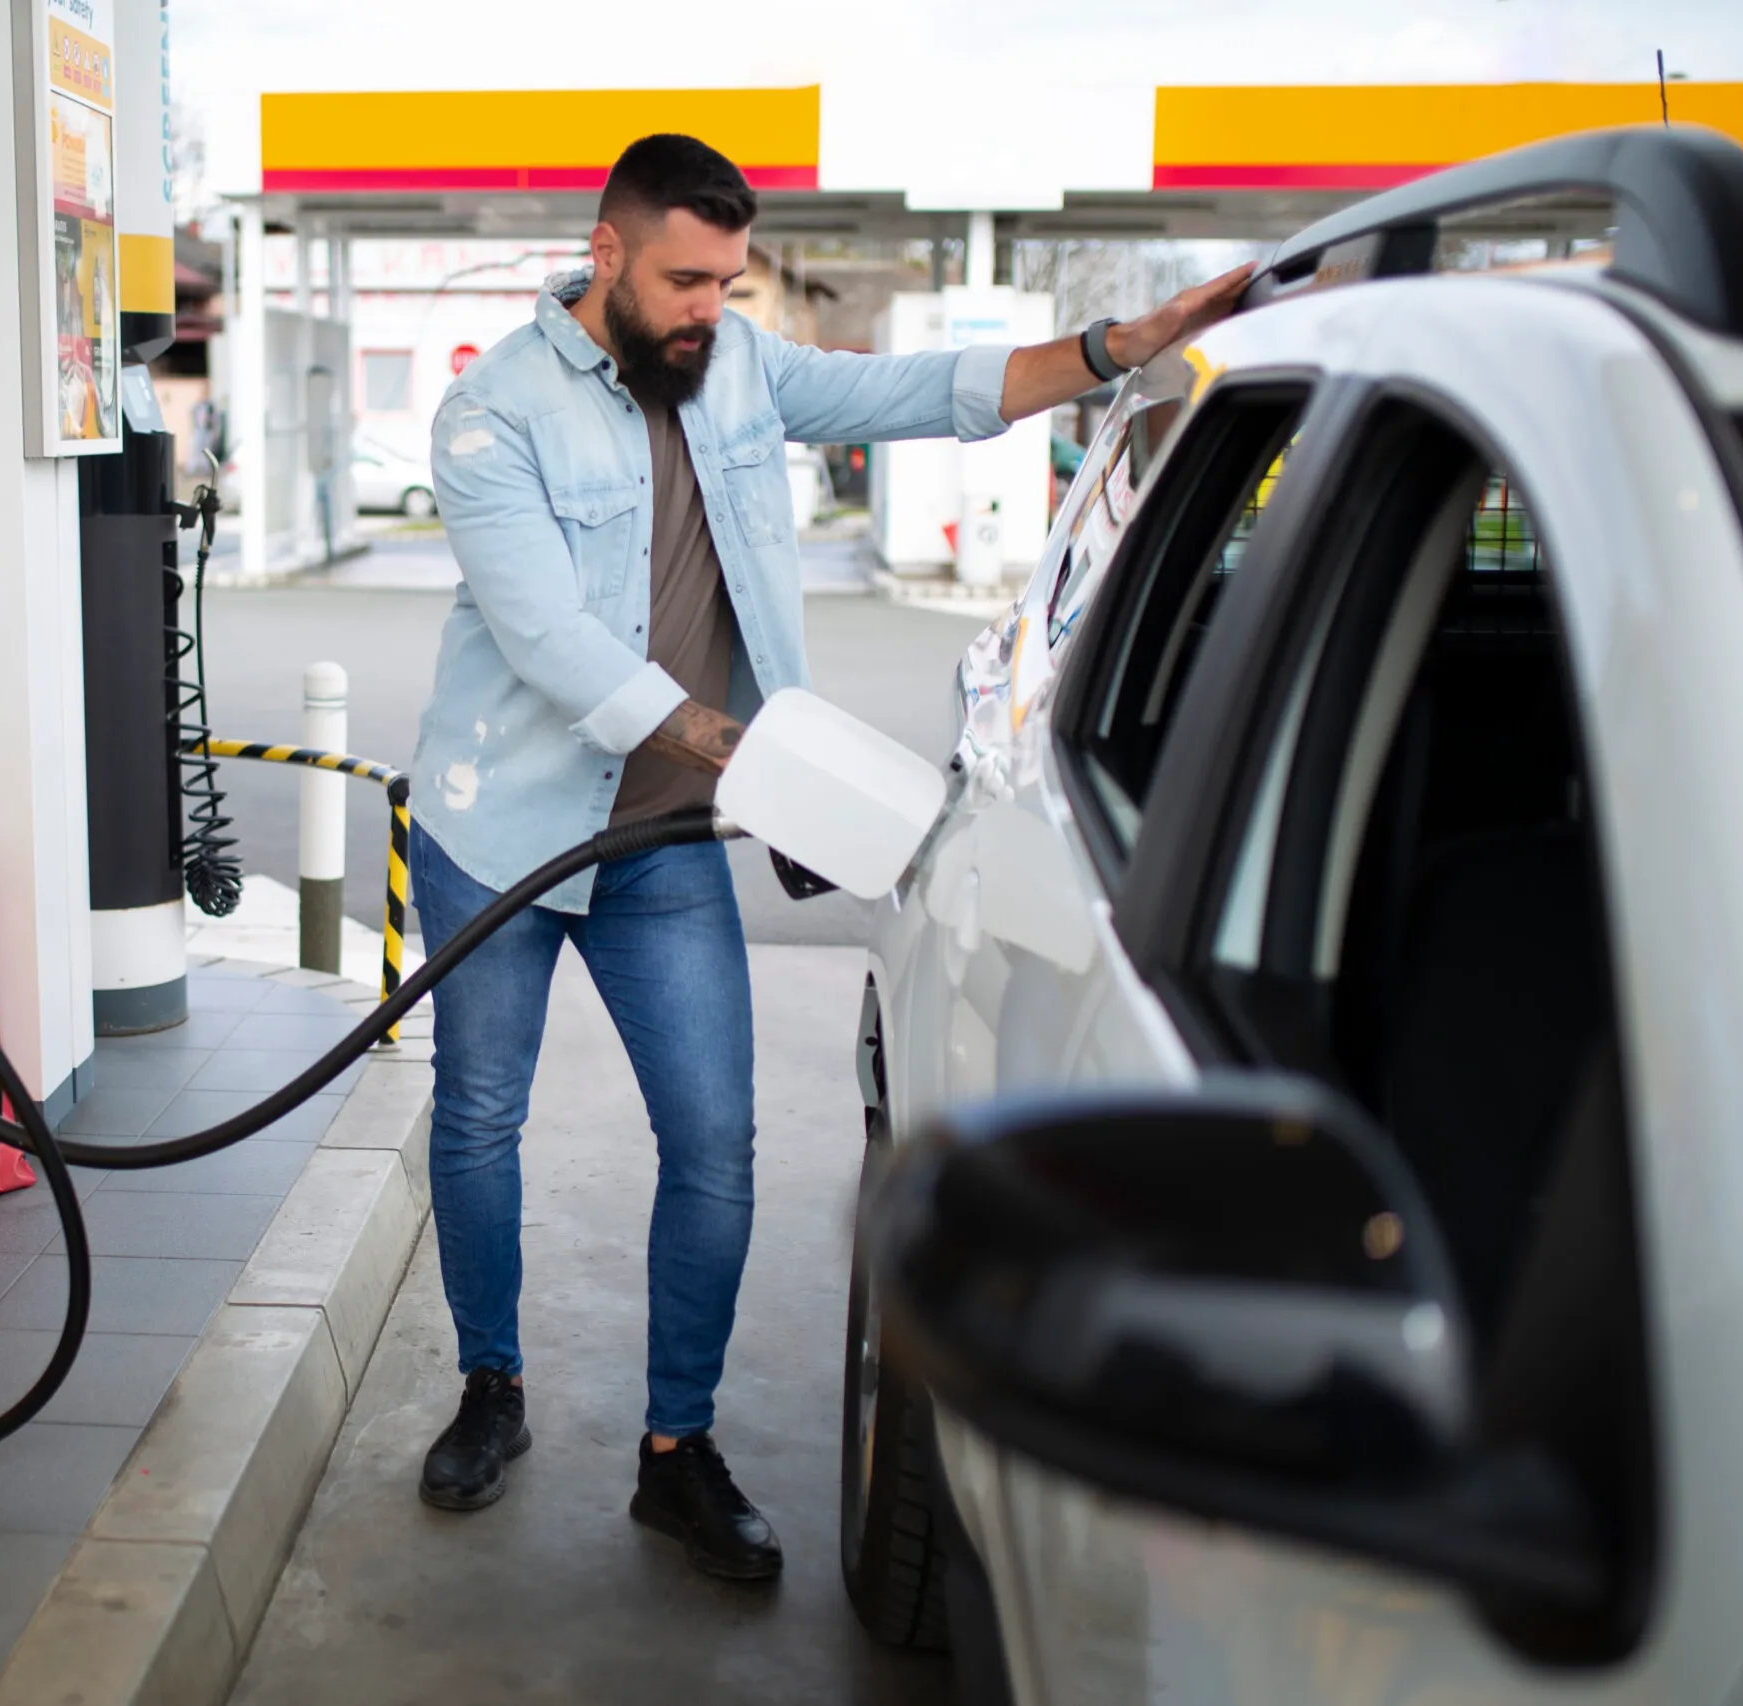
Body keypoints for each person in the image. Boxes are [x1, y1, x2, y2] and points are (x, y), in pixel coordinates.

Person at [409, 132, 1249, 1580]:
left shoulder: (734, 362)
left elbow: (920, 388)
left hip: (664, 842)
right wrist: (758, 754)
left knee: (718, 1144)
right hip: (505, 829)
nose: (709, 309)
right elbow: (548, 638)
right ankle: (493, 1386)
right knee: (482, 1118)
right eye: (684, 279)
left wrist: (1120, 345)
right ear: (605, 253)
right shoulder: (491, 415)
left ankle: (678, 1449)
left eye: (730, 281)